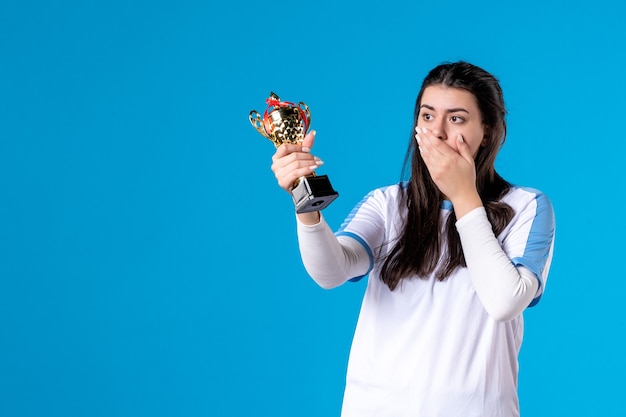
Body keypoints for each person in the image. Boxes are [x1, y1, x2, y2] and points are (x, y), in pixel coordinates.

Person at [270, 61, 555, 417]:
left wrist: (464, 195)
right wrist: (303, 198)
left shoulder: (526, 207)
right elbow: (330, 272)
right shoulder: (388, 204)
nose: (436, 133)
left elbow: (503, 302)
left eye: (456, 119)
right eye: (427, 116)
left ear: (489, 130)